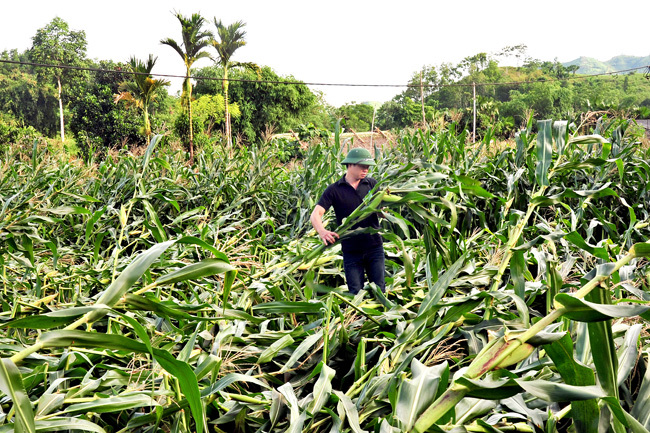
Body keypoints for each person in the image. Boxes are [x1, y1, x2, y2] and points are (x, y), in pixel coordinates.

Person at [310, 147, 385, 294]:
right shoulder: (334, 190)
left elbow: (382, 211)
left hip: (374, 247)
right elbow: (316, 214)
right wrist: (322, 232)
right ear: (350, 165)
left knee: (379, 292)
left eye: (368, 167)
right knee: (355, 294)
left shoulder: (371, 185)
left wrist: (384, 212)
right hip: (351, 251)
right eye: (363, 166)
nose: (366, 170)